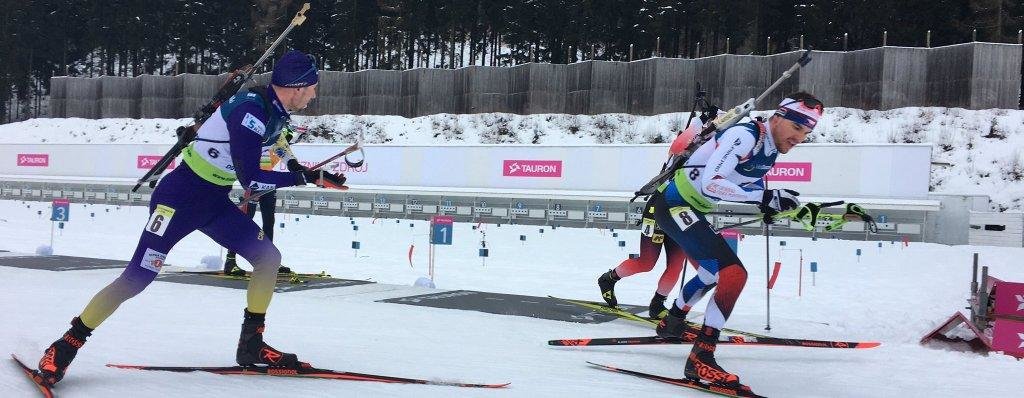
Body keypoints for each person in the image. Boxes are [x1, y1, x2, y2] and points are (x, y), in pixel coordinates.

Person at [31, 50, 347, 387]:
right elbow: (251, 180)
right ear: (297, 87)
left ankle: (251, 344)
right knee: (137, 277)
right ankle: (66, 345)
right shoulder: (250, 110)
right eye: (312, 87)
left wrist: (300, 167)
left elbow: (279, 140)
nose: (314, 94)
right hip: (178, 200)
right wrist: (305, 179)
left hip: (212, 202)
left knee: (268, 258)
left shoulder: (274, 109)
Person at [652, 92, 823, 388]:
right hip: (674, 204)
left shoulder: (769, 150)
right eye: (797, 128)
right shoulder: (745, 136)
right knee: (734, 274)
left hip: (690, 207)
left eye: (806, 133)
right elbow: (713, 182)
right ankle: (701, 360)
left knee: (709, 272)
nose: (800, 138)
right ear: (779, 117)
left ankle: (672, 323)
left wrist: (769, 204)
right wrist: (764, 197)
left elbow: (748, 187)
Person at [223, 124, 304, 276]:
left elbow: (285, 154)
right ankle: (230, 259)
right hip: (253, 182)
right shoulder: (255, 133)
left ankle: (269, 260)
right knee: (245, 221)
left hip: (268, 182)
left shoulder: (276, 139)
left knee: (269, 221)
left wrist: (298, 169)